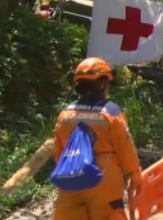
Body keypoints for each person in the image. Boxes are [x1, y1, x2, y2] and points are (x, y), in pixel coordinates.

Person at [53, 57, 142, 220]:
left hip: (69, 176)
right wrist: (134, 172)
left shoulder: (65, 113)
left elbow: (58, 152)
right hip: (103, 176)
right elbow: (124, 146)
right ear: (102, 84)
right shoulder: (111, 112)